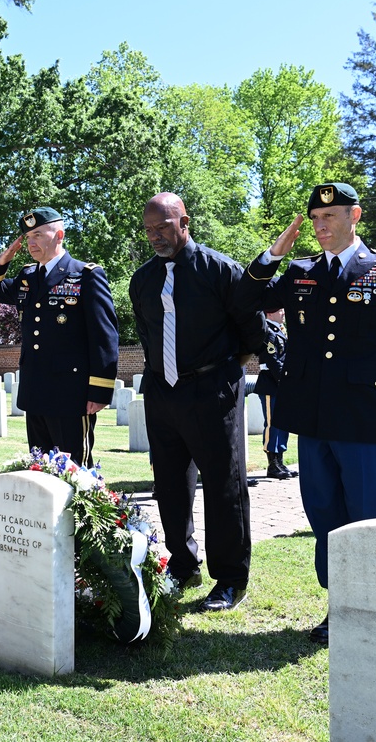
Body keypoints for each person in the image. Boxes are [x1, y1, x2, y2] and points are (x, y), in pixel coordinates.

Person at [236, 182, 376, 644]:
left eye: (330, 217)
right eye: (315, 220)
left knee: (364, 513)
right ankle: (340, 603)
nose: (320, 227)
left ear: (354, 216)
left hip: (365, 418)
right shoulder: (301, 271)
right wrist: (274, 254)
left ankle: (373, 605)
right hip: (312, 416)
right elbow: (246, 300)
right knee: (323, 514)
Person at [129, 192, 270, 612]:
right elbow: (148, 335)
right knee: (169, 485)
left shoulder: (221, 270)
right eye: (149, 230)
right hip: (162, 393)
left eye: (163, 227)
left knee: (224, 486)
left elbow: (253, 331)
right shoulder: (142, 280)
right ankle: (182, 564)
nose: (156, 236)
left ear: (184, 222)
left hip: (213, 391)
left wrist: (223, 374)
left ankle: (229, 579)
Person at [0, 207, 119, 467]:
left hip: (71, 394)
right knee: (40, 469)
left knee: (76, 471)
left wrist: (99, 391)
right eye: (28, 236)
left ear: (59, 235)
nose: (31, 242)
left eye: (39, 235)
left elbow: (104, 336)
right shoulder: (28, 277)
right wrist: (2, 260)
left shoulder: (85, 275)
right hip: (35, 390)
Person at [255, 307, 299, 480]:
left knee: (282, 424)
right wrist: (285, 381)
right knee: (272, 424)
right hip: (270, 383)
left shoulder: (280, 330)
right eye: (280, 310)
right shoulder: (267, 330)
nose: (284, 313)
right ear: (270, 313)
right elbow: (273, 360)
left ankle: (279, 462)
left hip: (280, 383)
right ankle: (272, 464)